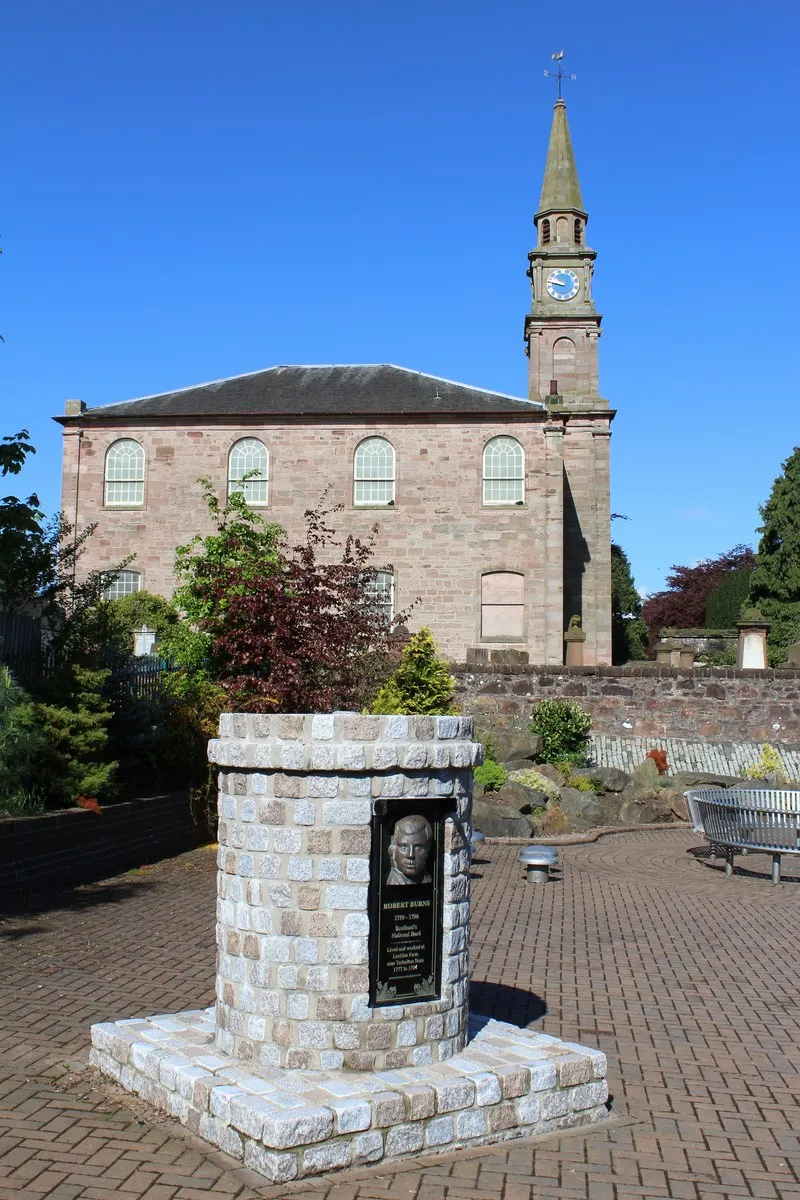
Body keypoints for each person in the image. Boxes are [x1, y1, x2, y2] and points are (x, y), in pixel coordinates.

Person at [386, 814, 433, 885]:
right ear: (393, 849)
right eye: (404, 847)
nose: (411, 855)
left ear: (428, 849)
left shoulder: (427, 878)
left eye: (418, 848)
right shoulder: (393, 882)